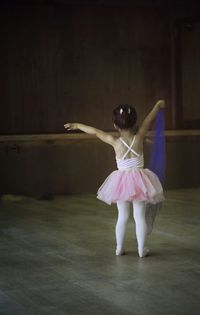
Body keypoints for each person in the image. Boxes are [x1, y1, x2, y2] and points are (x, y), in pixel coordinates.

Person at [64, 100, 165, 258]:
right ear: (134, 123)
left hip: (122, 182)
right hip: (140, 181)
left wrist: (77, 125)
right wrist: (157, 106)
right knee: (139, 216)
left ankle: (119, 248)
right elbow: (149, 119)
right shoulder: (140, 137)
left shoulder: (114, 141)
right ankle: (141, 249)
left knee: (122, 216)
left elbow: (96, 132)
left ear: (115, 125)